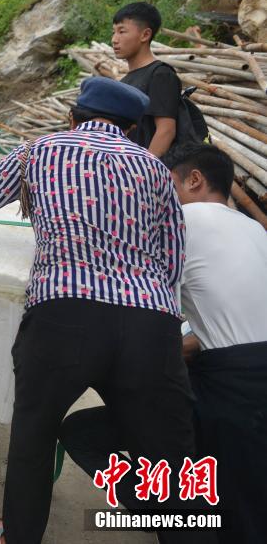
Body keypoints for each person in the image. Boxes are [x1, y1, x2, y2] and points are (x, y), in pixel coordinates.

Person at [0, 77, 216, 544]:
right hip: (149, 323)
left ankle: (19, 534)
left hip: (63, 316)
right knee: (171, 458)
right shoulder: (153, 168)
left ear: (73, 117)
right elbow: (172, 257)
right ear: (131, 130)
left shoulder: (40, 151)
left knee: (35, 437)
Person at [62, 145, 267, 542]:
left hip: (235, 390)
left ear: (194, 180)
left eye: (164, 186)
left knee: (86, 432)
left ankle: (164, 512)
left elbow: (135, 313)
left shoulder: (181, 221)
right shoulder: (254, 229)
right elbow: (226, 323)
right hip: (240, 379)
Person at [113, 2, 190, 160]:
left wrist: (144, 172)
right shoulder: (125, 81)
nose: (114, 39)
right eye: (113, 32)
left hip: (146, 172)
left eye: (122, 31)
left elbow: (166, 131)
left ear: (145, 35)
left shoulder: (161, 74)